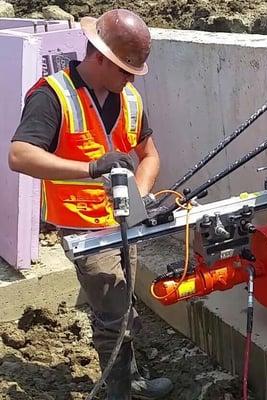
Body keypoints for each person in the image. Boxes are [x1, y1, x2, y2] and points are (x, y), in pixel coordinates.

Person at [8, 8, 173, 400]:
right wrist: (91, 167)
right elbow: (19, 155)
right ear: (97, 56)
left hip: (123, 222)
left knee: (123, 302)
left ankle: (128, 378)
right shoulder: (53, 95)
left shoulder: (128, 98)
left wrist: (142, 195)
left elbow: (149, 155)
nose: (131, 78)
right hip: (84, 227)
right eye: (123, 69)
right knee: (115, 311)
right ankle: (121, 389)